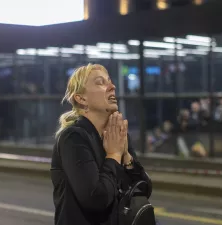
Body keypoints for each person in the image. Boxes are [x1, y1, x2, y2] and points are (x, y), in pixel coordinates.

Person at [51, 64, 152, 225]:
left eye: (110, 81)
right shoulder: (73, 137)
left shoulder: (117, 135)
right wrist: (113, 155)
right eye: (100, 82)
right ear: (81, 98)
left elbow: (143, 190)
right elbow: (96, 199)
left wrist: (127, 158)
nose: (112, 87)